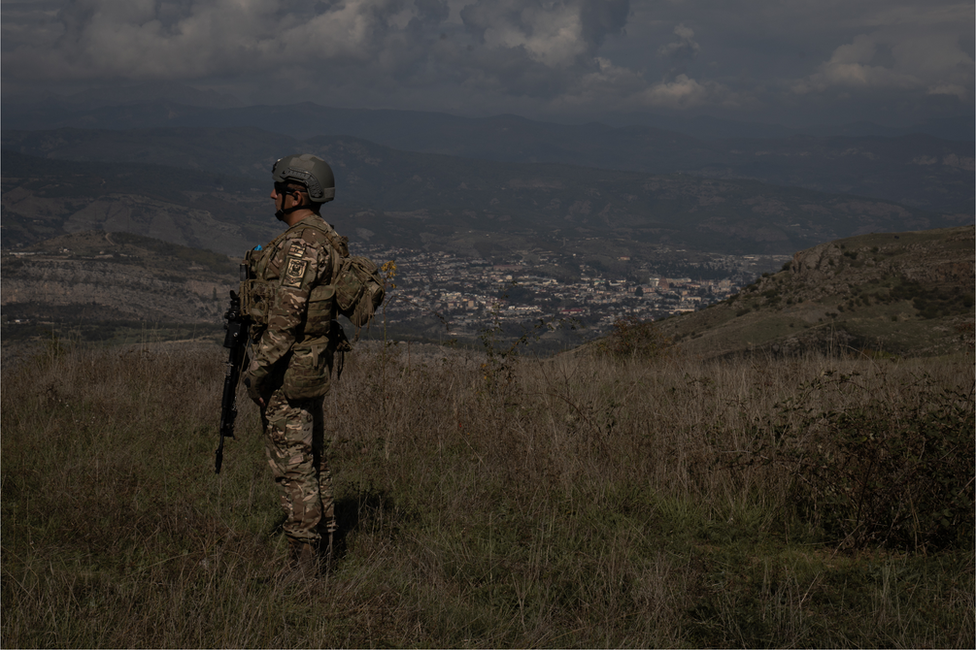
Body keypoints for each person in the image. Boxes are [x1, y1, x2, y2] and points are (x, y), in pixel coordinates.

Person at [240, 153, 347, 573]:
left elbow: (285, 321)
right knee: (312, 459)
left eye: (279, 190)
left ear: (296, 194)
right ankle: (325, 544)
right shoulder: (328, 237)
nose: (272, 195)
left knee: (293, 465)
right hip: (310, 366)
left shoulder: (302, 245)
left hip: (288, 370)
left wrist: (258, 374)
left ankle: (304, 562)